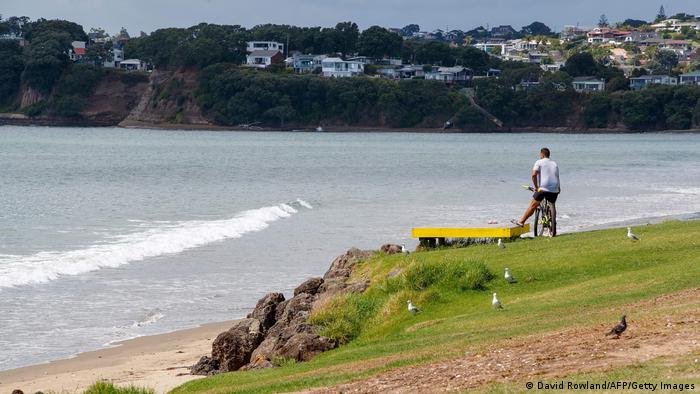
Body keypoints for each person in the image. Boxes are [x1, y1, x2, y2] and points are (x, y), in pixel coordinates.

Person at [513, 147, 560, 227]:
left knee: (533, 205)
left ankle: (521, 221)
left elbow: (534, 175)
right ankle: (553, 225)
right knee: (552, 204)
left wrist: (536, 187)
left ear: (542, 154)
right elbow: (557, 176)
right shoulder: (554, 163)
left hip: (543, 188)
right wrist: (558, 188)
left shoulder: (539, 162)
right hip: (555, 189)